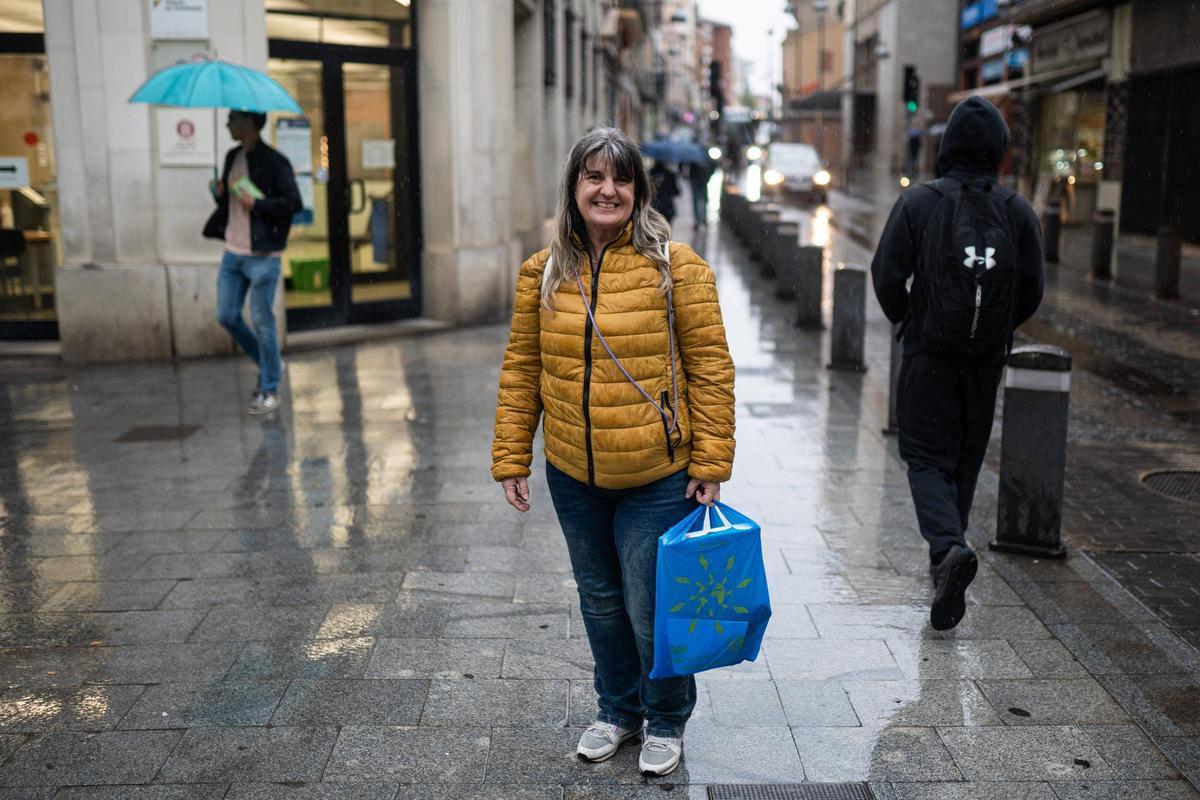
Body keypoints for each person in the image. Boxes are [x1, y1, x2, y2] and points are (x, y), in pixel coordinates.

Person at [492, 127, 735, 776]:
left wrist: (710, 462)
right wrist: (512, 456)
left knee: (649, 603)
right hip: (573, 472)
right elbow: (522, 369)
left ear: (638, 191)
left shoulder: (675, 267)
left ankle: (664, 717)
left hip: (657, 475)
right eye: (594, 178)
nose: (607, 190)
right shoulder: (541, 274)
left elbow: (711, 366)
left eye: (620, 179)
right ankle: (618, 710)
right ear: (573, 190)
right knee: (598, 599)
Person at [870, 96, 1044, 631]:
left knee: (923, 455)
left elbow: (885, 273)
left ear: (946, 148)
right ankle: (950, 556)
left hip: (929, 353)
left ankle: (947, 550)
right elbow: (1032, 290)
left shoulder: (919, 204)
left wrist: (911, 320)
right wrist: (994, 330)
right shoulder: (1016, 211)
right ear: (998, 151)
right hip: (984, 360)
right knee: (966, 455)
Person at [203, 110, 302, 416]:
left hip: (262, 256)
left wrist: (257, 204)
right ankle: (270, 364)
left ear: (248, 124)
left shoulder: (275, 161)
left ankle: (270, 390)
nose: (227, 124)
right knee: (227, 315)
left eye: (232, 120)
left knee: (263, 322)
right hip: (233, 252)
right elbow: (230, 203)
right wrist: (219, 194)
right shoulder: (232, 156)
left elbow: (293, 204)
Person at [686, 156, 715, 227]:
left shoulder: (695, 156)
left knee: (702, 200)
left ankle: (702, 219)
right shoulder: (695, 157)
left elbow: (713, 165)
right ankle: (698, 219)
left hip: (702, 180)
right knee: (698, 200)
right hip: (697, 179)